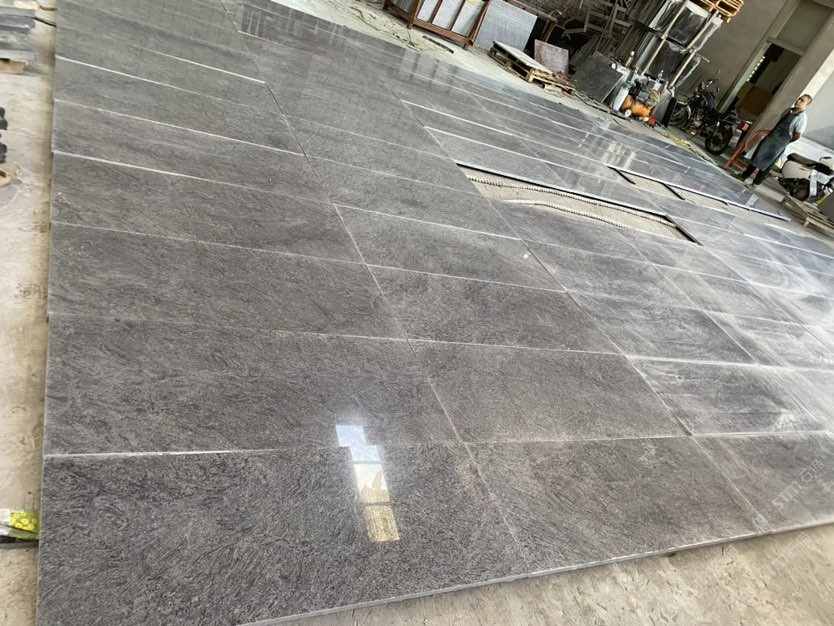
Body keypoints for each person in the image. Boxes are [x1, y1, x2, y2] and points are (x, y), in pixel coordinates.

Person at [736, 94, 813, 187]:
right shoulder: (788, 111)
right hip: (771, 137)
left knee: (767, 164)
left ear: (806, 105)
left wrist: (785, 142)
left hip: (780, 143)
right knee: (757, 157)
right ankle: (743, 176)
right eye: (799, 99)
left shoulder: (802, 118)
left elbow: (797, 135)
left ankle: (755, 184)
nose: (798, 101)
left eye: (802, 101)